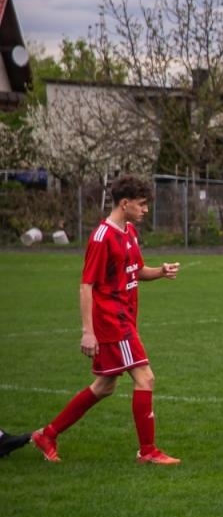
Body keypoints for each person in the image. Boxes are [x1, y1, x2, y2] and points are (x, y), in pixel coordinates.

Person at [30, 174, 182, 465]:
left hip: (125, 318)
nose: (145, 210)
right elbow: (86, 285)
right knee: (146, 378)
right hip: (113, 322)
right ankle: (147, 451)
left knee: (104, 386)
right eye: (141, 205)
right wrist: (88, 331)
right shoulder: (102, 238)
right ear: (125, 204)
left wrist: (161, 271)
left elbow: (136, 271)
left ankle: (47, 434)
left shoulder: (129, 231)